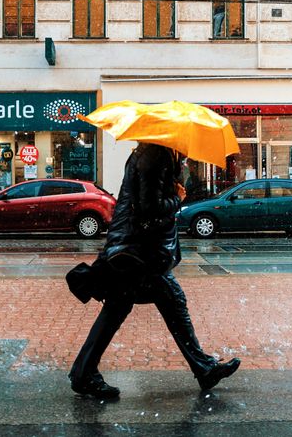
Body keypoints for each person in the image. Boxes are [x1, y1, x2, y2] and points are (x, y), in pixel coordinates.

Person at [69, 142, 240, 399]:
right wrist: (177, 198)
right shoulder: (155, 155)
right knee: (153, 303)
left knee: (138, 306)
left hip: (137, 249)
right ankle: (84, 375)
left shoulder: (151, 154)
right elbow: (149, 207)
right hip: (139, 251)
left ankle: (203, 368)